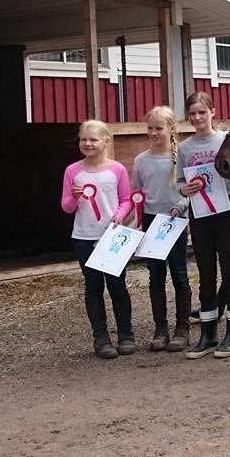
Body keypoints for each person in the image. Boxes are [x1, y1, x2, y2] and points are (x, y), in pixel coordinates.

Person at [60, 119, 134, 359]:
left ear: (105, 141)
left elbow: (126, 199)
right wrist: (73, 197)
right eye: (84, 139)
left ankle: (125, 334)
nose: (88, 143)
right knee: (93, 287)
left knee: (117, 286)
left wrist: (119, 216)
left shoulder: (117, 170)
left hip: (111, 236)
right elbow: (66, 207)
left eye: (93, 139)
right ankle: (100, 337)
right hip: (83, 236)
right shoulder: (72, 171)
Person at [177, 92, 230, 360]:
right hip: (200, 215)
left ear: (212, 112)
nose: (197, 118)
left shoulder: (225, 140)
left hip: (225, 212)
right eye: (192, 114)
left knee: (229, 272)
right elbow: (180, 181)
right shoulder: (184, 148)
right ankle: (207, 332)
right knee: (205, 274)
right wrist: (186, 189)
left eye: (202, 112)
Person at [132, 106, 192, 352]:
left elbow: (190, 190)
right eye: (150, 128)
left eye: (159, 128)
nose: (154, 133)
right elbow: (137, 192)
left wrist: (180, 207)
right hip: (150, 222)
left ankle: (182, 328)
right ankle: (160, 329)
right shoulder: (141, 160)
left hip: (174, 222)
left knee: (179, 274)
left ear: (171, 129)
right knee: (155, 275)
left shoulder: (180, 158)